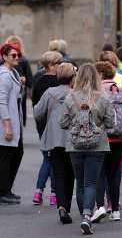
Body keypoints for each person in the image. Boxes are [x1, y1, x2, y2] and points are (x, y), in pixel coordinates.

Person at [59, 63, 114, 235]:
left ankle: (86, 217)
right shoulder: (103, 98)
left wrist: (77, 122)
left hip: (75, 145)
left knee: (80, 184)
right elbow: (111, 123)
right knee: (91, 182)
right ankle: (87, 217)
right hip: (97, 146)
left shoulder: (70, 97)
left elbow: (62, 123)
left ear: (78, 77)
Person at [33, 63, 76, 224]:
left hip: (54, 139)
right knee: (71, 174)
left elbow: (37, 113)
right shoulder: (76, 94)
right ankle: (67, 206)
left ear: (58, 77)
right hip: (73, 140)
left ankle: (61, 207)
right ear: (73, 78)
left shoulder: (49, 93)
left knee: (58, 172)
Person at [92, 61, 122, 222]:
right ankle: (115, 210)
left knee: (100, 173)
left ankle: (100, 207)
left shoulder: (96, 91)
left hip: (101, 137)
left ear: (100, 75)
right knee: (113, 173)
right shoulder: (121, 90)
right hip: (119, 138)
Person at [32, 51, 63, 205]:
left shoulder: (38, 82)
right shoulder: (59, 82)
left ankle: (38, 192)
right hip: (56, 126)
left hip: (42, 125)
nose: (61, 66)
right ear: (51, 66)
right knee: (55, 160)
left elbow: (35, 106)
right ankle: (54, 194)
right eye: (59, 64)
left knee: (47, 158)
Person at [97, 50, 122, 176]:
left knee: (100, 171)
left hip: (100, 131)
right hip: (119, 129)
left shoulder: (96, 81)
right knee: (114, 169)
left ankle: (102, 196)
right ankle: (113, 196)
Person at [0, 44, 24, 204]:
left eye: (18, 55)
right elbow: (1, 101)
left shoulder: (13, 73)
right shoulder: (4, 75)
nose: (16, 58)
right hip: (6, 123)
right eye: (13, 55)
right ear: (4, 57)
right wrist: (7, 125)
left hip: (15, 121)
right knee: (6, 158)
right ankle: (3, 192)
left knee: (16, 154)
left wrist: (20, 81)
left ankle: (7, 189)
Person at [4, 35, 33, 127]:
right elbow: (29, 77)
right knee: (18, 110)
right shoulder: (23, 60)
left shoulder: (2, 60)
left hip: (12, 89)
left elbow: (29, 77)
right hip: (19, 89)